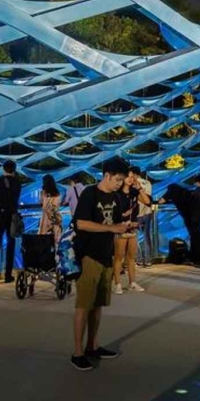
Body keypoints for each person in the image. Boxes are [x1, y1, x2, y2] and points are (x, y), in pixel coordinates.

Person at [70, 157, 134, 371]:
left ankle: (92, 345)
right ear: (106, 175)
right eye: (117, 179)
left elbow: (115, 223)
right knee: (83, 305)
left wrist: (126, 225)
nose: (119, 183)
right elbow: (80, 223)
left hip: (106, 256)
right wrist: (111, 229)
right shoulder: (90, 193)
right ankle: (78, 351)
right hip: (89, 255)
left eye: (122, 180)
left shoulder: (115, 197)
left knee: (97, 305)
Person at [0, 160, 23, 284]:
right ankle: (8, 275)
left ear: (3, 169)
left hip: (0, 215)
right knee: (11, 244)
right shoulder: (17, 183)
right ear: (14, 169)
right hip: (12, 215)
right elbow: (16, 197)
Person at [112, 169, 148, 294]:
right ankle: (118, 284)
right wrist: (122, 219)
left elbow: (147, 202)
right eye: (128, 176)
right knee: (119, 257)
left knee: (131, 257)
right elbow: (112, 212)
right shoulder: (116, 193)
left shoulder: (133, 192)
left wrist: (139, 189)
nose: (131, 179)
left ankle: (132, 282)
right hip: (120, 228)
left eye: (133, 177)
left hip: (132, 228)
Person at [161, 180, 200, 266]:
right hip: (197, 213)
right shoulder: (185, 192)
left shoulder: (171, 190)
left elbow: (161, 200)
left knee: (195, 235)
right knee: (196, 235)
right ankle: (197, 258)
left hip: (191, 215)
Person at [38, 174, 63, 242]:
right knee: (55, 237)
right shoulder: (58, 193)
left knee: (44, 236)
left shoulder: (43, 192)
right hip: (55, 216)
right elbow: (58, 204)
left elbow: (40, 203)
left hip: (46, 217)